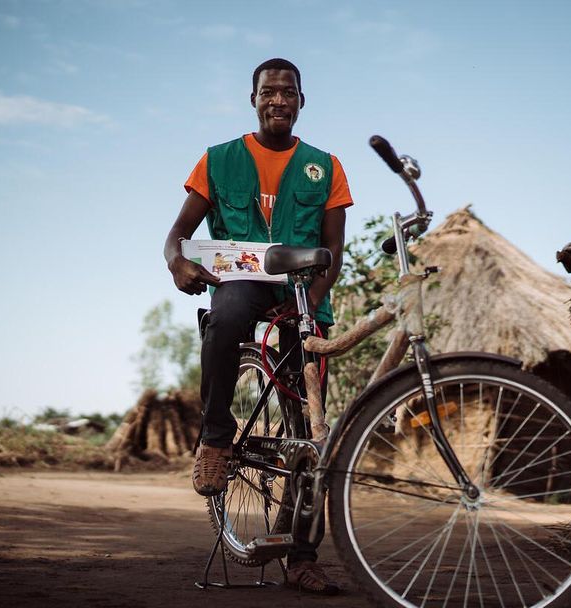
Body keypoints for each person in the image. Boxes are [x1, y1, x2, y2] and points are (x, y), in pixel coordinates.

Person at [163, 58, 352, 595]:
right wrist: (177, 262)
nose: (278, 100)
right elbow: (177, 233)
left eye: (288, 92)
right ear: (254, 99)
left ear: (301, 101)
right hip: (244, 283)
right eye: (268, 92)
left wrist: (312, 303)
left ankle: (302, 557)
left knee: (309, 432)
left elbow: (333, 252)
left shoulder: (326, 166)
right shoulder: (219, 160)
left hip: (304, 294)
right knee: (223, 316)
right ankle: (217, 435)